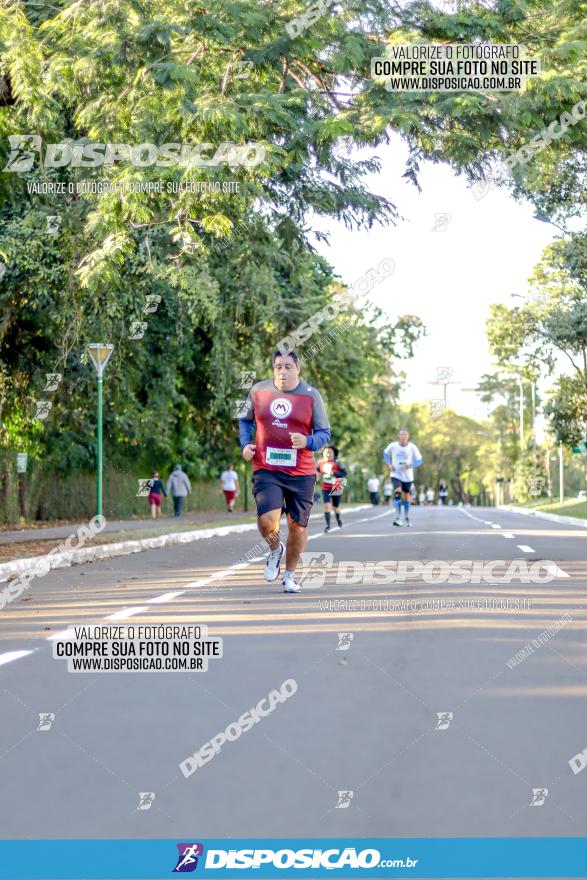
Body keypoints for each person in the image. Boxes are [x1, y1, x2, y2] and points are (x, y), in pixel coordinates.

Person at [239, 350, 330, 593]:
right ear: (273, 369)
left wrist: (307, 441)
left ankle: (289, 576)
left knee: (297, 526)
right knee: (267, 520)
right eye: (278, 366)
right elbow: (245, 420)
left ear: (298, 369)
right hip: (267, 467)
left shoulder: (311, 396)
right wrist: (245, 444)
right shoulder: (258, 391)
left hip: (301, 472)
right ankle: (274, 549)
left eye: (288, 366)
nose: (283, 371)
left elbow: (325, 434)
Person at [383, 428, 423, 527]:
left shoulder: (412, 447)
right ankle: (398, 517)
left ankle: (406, 517)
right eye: (401, 434)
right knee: (397, 493)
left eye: (405, 434)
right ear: (399, 436)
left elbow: (420, 461)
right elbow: (385, 453)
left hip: (408, 476)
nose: (403, 436)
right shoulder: (393, 446)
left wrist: (411, 465)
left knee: (406, 496)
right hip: (396, 474)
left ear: (408, 436)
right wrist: (389, 464)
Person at [317, 445, 347, 532]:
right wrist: (316, 475)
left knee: (335, 506)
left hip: (338, 484)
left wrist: (334, 473)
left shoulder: (338, 462)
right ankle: (328, 525)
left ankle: (338, 519)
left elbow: (344, 473)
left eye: (330, 453)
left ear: (334, 454)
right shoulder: (321, 463)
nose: (327, 454)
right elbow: (317, 472)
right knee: (327, 505)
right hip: (326, 485)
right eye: (326, 453)